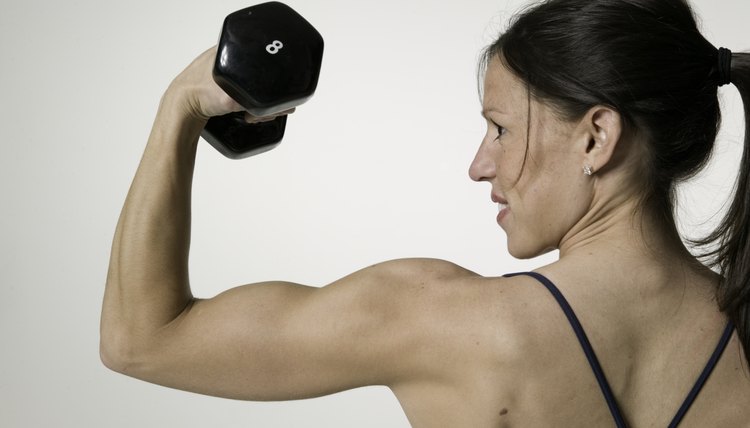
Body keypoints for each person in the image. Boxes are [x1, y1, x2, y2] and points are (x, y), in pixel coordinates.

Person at [100, 0, 750, 426]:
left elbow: (142, 341)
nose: (479, 164)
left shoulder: (437, 317)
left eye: (499, 129)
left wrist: (180, 107)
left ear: (595, 137)